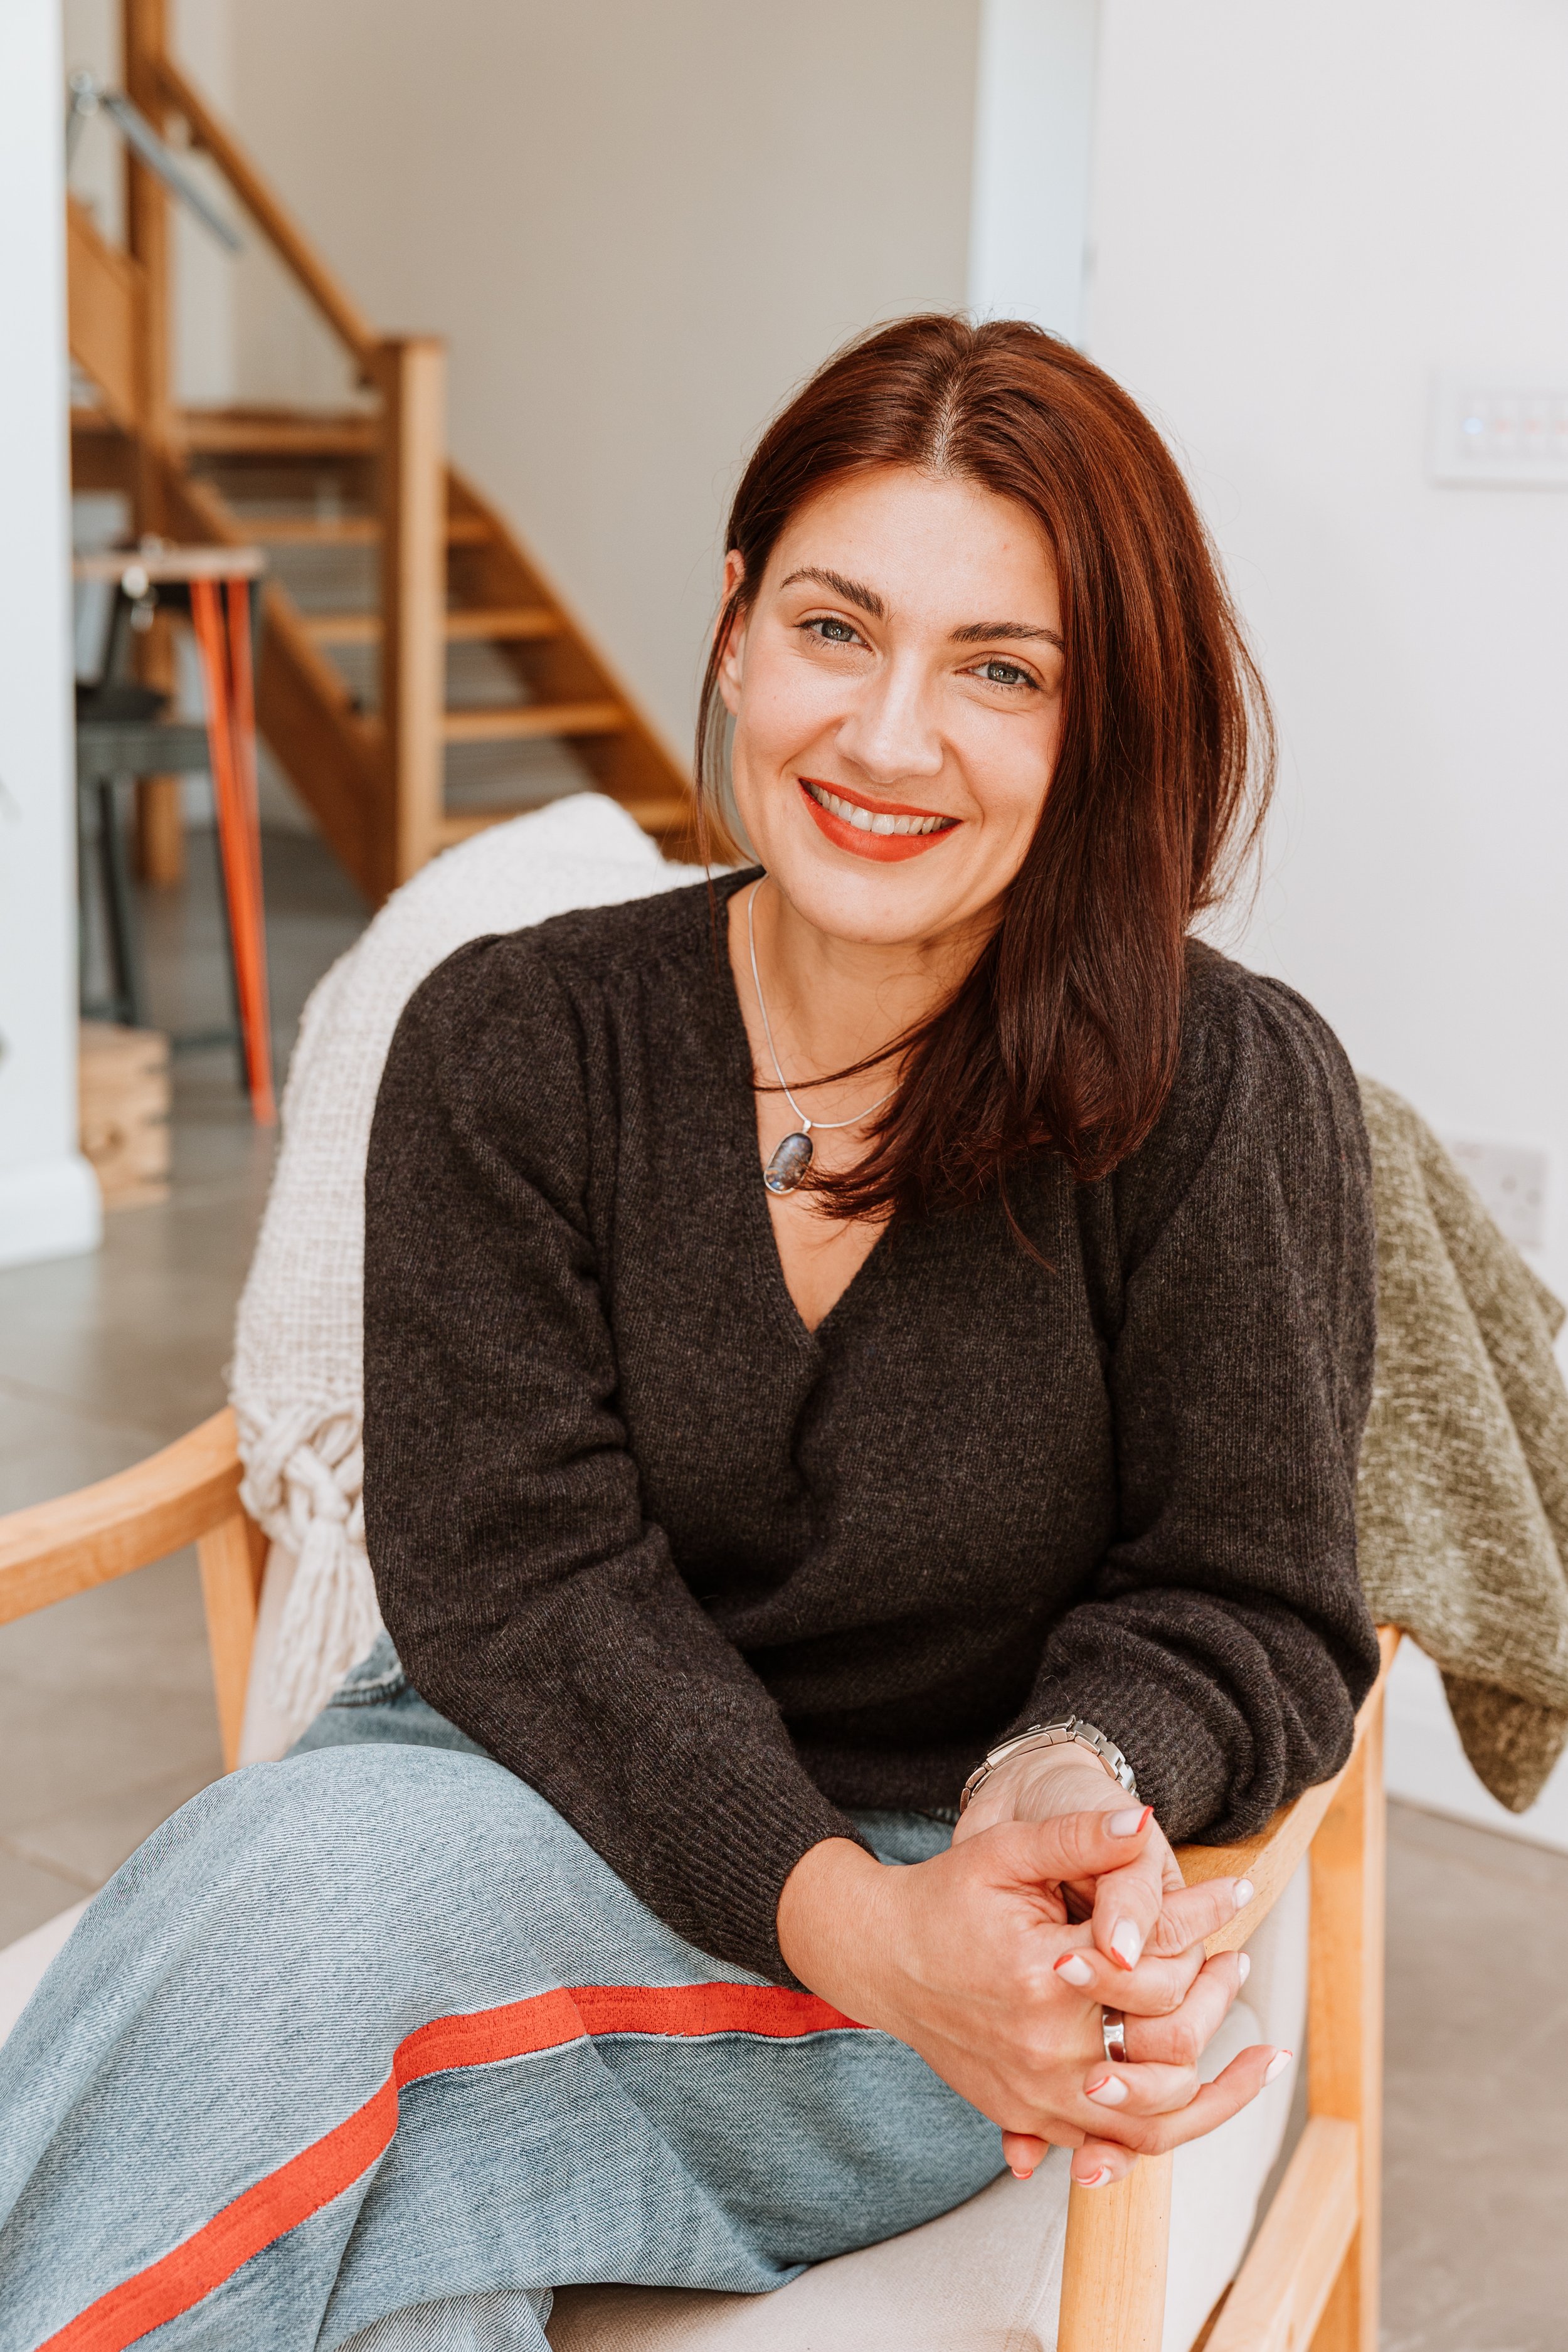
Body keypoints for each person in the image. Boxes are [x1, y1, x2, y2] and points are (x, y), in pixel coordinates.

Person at [0, 315, 1378, 2351]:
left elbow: (1248, 1600)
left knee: (290, 1901)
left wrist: (1051, 1792)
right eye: (837, 628)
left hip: (922, 1976)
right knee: (371, 2223)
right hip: (513, 1808)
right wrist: (854, 1927)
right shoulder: (513, 1040)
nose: (890, 736)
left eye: (1000, 671)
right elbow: (517, 1581)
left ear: (1098, 730)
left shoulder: (1225, 1089)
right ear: (735, 628)